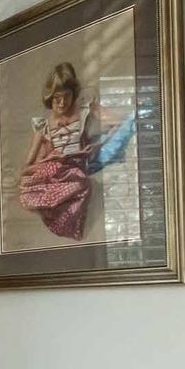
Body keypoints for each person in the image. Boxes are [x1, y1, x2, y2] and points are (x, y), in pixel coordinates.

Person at [17, 61, 133, 240]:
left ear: (73, 94)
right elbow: (26, 168)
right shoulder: (43, 126)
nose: (62, 103)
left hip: (78, 167)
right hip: (55, 170)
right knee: (36, 185)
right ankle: (55, 210)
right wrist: (49, 159)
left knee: (81, 183)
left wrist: (97, 145)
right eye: (57, 98)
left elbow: (118, 123)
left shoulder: (84, 109)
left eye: (67, 96)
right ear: (50, 97)